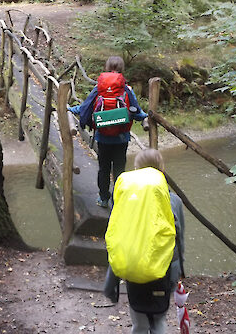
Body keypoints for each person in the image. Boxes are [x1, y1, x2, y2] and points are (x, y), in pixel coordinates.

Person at [112, 148, 185, 334]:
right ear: (161, 170)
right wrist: (179, 272)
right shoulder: (173, 200)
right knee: (159, 321)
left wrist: (113, 276)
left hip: (133, 266)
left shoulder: (125, 198)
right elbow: (179, 239)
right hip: (164, 268)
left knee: (140, 324)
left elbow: (117, 234)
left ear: (136, 169)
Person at [68, 56, 148, 208]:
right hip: (122, 137)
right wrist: (145, 116)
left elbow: (86, 106)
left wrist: (71, 109)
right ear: (122, 69)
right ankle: (118, 200)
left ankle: (103, 198)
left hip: (103, 136)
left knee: (103, 168)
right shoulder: (125, 88)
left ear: (106, 68)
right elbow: (136, 111)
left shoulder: (99, 88)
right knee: (119, 169)